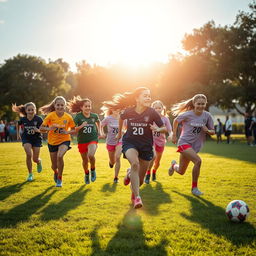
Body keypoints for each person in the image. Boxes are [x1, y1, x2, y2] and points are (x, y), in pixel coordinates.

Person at [105, 87, 165, 209]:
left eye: (149, 95)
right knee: (135, 164)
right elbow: (121, 118)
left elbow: (164, 128)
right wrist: (121, 133)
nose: (148, 97)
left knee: (141, 180)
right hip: (130, 142)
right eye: (145, 95)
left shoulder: (152, 112)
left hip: (146, 146)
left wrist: (158, 129)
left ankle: (128, 176)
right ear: (137, 98)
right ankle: (138, 197)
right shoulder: (129, 111)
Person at [168, 94, 215, 196]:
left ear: (205, 104)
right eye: (198, 104)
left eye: (203, 104)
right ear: (194, 104)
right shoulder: (188, 114)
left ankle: (173, 165)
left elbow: (213, 132)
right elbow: (176, 120)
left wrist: (207, 130)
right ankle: (194, 188)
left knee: (181, 171)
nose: (200, 106)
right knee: (198, 161)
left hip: (195, 147)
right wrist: (174, 135)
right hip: (184, 143)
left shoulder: (207, 116)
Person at [40, 96, 75, 187]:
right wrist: (49, 128)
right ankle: (55, 172)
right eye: (58, 105)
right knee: (53, 166)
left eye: (62, 105)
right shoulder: (50, 116)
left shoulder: (68, 117)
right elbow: (41, 128)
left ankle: (60, 178)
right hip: (52, 142)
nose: (60, 107)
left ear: (65, 106)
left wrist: (67, 131)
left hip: (64, 140)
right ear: (55, 105)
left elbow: (74, 130)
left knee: (60, 156)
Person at [67, 96, 101, 184]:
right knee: (85, 161)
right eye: (86, 106)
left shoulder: (94, 116)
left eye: (89, 106)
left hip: (93, 139)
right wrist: (81, 126)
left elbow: (98, 122)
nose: (88, 108)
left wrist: (99, 132)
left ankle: (93, 169)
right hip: (82, 141)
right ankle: (86, 174)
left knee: (91, 155)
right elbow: (73, 129)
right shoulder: (78, 117)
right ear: (81, 107)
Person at [12, 102, 43, 181]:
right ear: (26, 111)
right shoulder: (23, 119)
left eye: (32, 109)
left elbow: (44, 130)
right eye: (29, 110)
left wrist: (38, 130)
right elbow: (17, 124)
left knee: (35, 159)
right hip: (26, 139)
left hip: (36, 140)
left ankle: (39, 162)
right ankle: (30, 174)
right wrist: (18, 134)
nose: (30, 111)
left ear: (35, 110)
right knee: (29, 154)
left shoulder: (38, 119)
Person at [144, 100, 172, 184]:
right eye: (155, 108)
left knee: (157, 162)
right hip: (151, 141)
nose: (157, 110)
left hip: (161, 142)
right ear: (152, 109)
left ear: (162, 108)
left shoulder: (165, 119)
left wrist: (170, 135)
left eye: (159, 108)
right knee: (153, 156)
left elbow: (169, 130)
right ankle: (147, 174)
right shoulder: (149, 118)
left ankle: (154, 171)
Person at [100, 106, 123, 183]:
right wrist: (102, 133)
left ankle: (116, 177)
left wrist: (122, 132)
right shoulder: (108, 118)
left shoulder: (123, 118)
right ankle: (111, 162)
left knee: (118, 157)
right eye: (114, 109)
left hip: (120, 141)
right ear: (111, 110)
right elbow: (100, 125)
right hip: (110, 142)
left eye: (118, 108)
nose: (116, 110)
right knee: (113, 161)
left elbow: (127, 128)